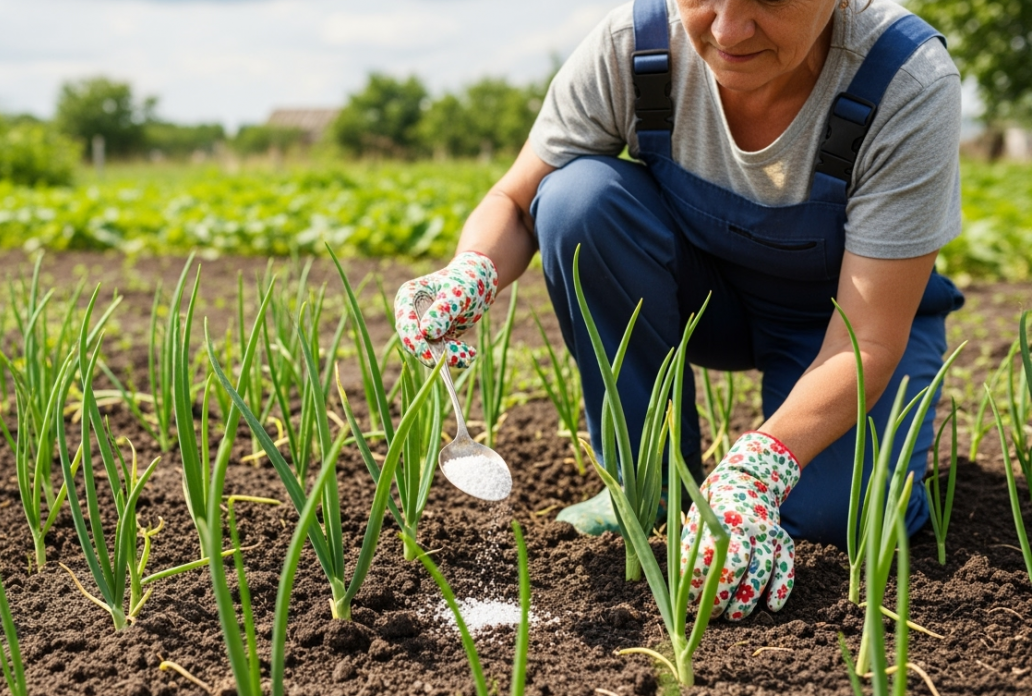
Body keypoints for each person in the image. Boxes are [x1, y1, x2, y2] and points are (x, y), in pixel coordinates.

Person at [393, 0, 964, 621]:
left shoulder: (905, 81)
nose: (727, 31)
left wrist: (759, 470)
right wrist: (471, 269)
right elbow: (515, 198)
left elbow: (871, 340)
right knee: (576, 200)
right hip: (704, 299)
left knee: (834, 521)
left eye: (768, 2)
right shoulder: (635, 48)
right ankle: (648, 488)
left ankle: (797, 475)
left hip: (838, 328)